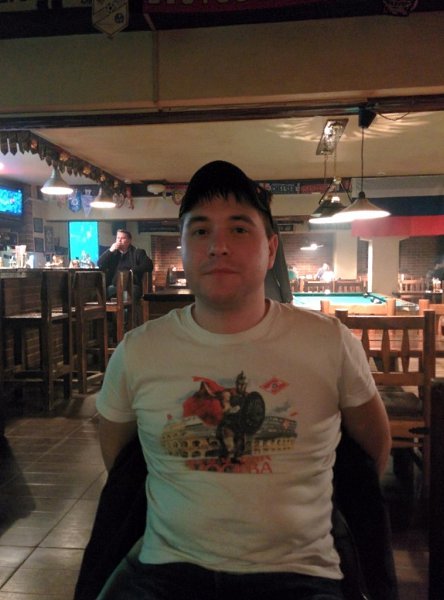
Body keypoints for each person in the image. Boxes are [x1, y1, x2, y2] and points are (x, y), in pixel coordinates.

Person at [95, 160, 391, 600]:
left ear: (271, 250)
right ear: (183, 246)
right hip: (167, 570)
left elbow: (371, 453)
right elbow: (120, 464)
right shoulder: (137, 351)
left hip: (301, 573)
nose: (218, 246)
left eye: (238, 229)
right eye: (200, 231)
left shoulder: (331, 342)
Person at [97, 229, 153, 300]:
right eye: (118, 238)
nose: (119, 240)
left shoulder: (137, 252)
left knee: (132, 292)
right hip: (115, 285)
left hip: (132, 285)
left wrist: (132, 270)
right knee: (103, 293)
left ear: (129, 241)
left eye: (123, 238)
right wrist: (110, 251)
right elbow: (100, 264)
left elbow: (149, 265)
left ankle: (129, 307)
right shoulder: (112, 253)